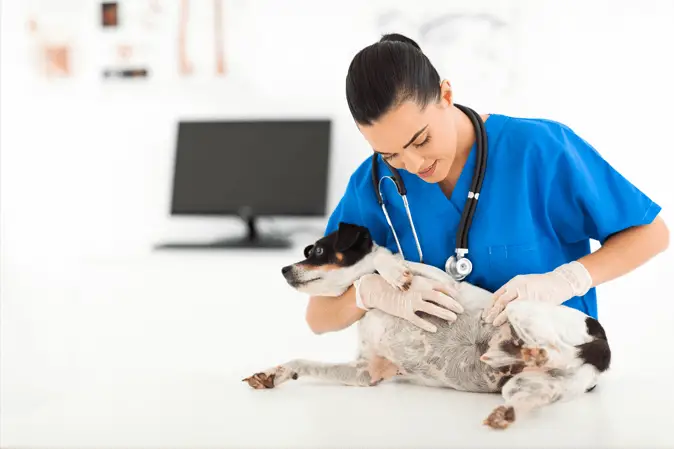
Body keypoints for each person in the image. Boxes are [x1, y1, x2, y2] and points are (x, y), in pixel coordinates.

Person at [305, 33, 669, 335]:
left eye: (421, 140)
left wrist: (568, 280)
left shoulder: (538, 150)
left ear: (446, 95)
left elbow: (651, 233)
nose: (414, 165)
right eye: (391, 154)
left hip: (547, 376)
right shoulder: (373, 185)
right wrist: (369, 294)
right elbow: (318, 316)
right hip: (431, 390)